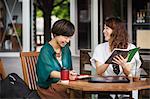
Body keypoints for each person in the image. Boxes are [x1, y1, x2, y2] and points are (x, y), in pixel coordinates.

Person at [91, 16, 142, 99]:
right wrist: (110, 59)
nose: (104, 31)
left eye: (107, 28)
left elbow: (130, 73)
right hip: (106, 90)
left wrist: (124, 65)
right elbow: (99, 71)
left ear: (116, 31)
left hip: (127, 90)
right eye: (104, 28)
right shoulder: (100, 48)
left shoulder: (131, 48)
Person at [36, 19, 78, 99]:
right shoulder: (45, 50)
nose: (68, 41)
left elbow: (68, 69)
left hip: (63, 86)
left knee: (80, 93)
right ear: (55, 34)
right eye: (66, 37)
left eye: (69, 38)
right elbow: (49, 72)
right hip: (48, 88)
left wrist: (71, 73)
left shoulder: (66, 49)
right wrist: (67, 75)